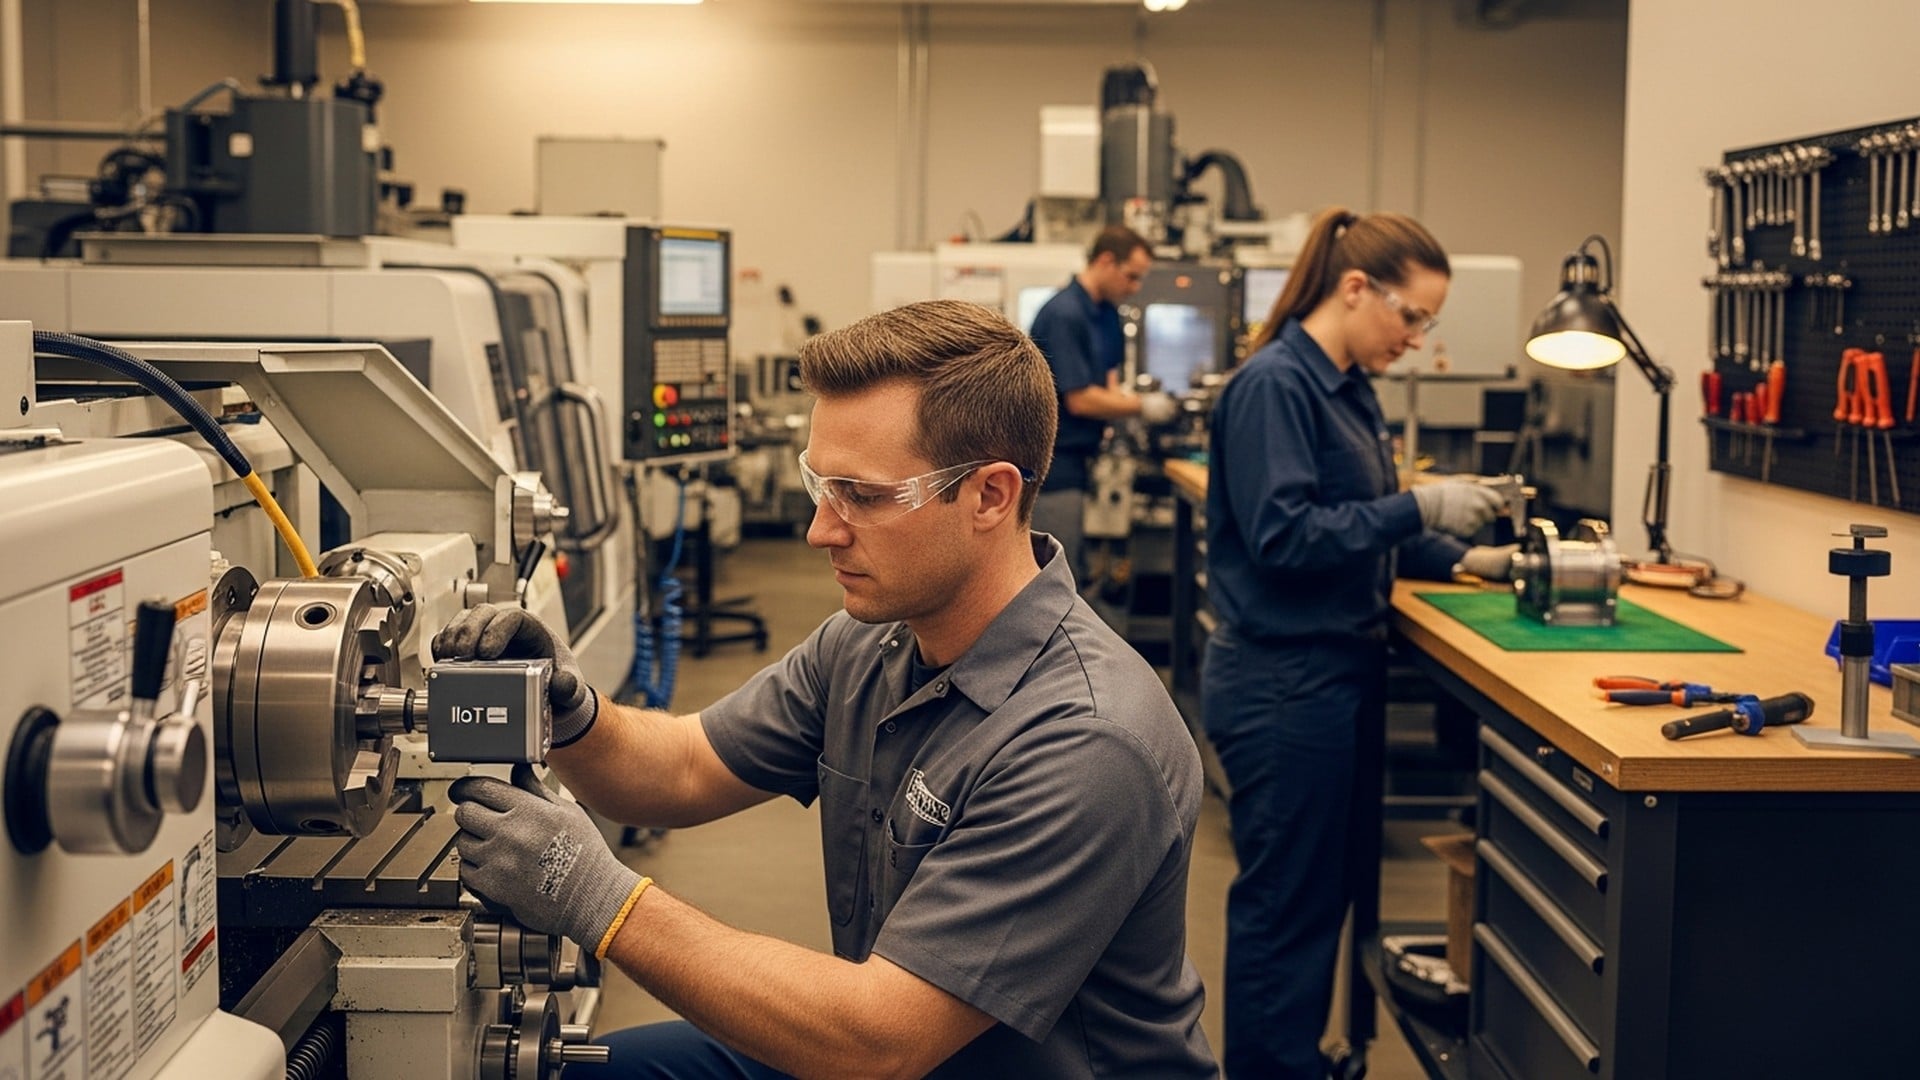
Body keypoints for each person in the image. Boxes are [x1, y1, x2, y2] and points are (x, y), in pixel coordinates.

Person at [439, 299, 1218, 1079]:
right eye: (820, 484)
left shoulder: (1085, 739)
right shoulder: (873, 642)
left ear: (990, 496)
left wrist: (591, 893)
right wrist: (571, 714)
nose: (821, 529)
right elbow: (680, 767)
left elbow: (879, 1042)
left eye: (865, 496)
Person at [1201, 207, 1510, 1079]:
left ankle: (1296, 1059)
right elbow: (1285, 537)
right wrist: (1418, 505)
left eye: (1427, 323)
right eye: (1411, 316)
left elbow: (1370, 530)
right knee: (1287, 905)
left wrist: (1469, 554)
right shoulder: (1275, 387)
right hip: (1282, 681)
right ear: (1353, 289)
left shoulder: (1347, 389)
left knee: (1323, 894)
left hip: (1334, 673)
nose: (1416, 338)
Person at [1027, 225, 1178, 578]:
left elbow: (1109, 385)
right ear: (1106, 261)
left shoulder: (1107, 314)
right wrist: (1143, 406)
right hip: (1055, 468)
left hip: (1086, 461)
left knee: (1078, 565)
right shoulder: (1064, 314)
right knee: (1054, 575)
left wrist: (1123, 407)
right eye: (1131, 277)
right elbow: (1080, 400)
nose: (1135, 288)